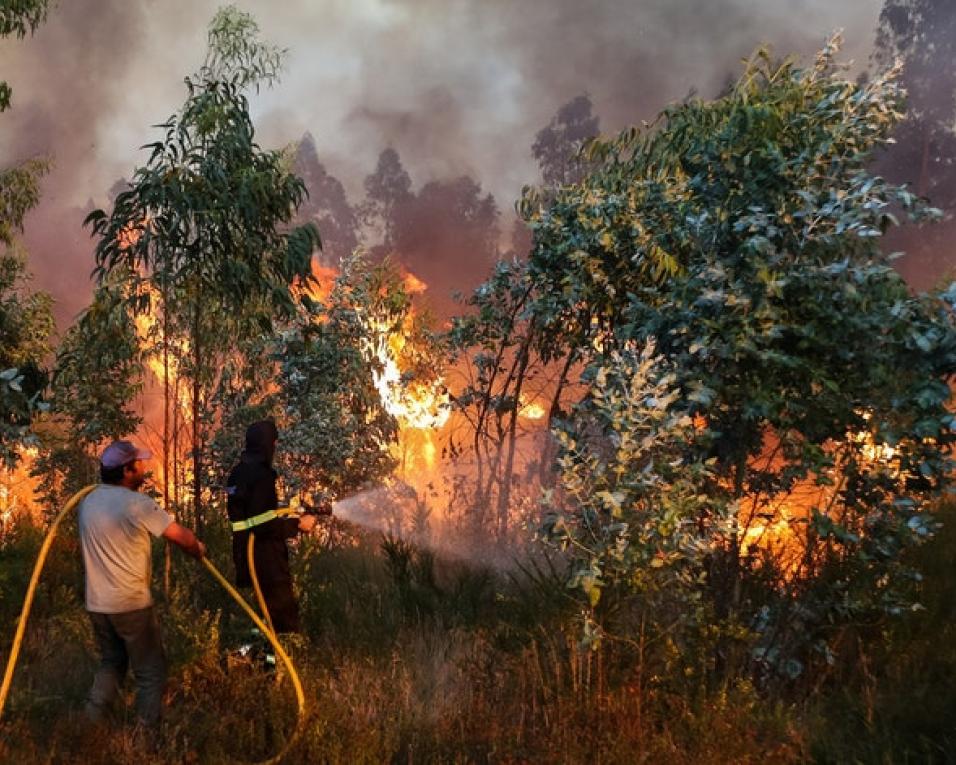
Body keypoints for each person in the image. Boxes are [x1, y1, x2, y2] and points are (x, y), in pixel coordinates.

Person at [78, 439, 206, 733]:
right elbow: (181, 537)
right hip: (130, 605)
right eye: (139, 464)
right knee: (151, 671)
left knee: (112, 662)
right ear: (126, 470)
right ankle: (145, 740)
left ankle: (89, 727)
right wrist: (197, 548)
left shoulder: (89, 501)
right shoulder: (137, 504)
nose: (144, 469)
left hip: (97, 605)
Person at [225, 420, 317, 634]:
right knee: (283, 619)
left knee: (261, 618)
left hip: (244, 555)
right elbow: (262, 524)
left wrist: (286, 514)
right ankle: (283, 659)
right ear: (266, 444)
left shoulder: (238, 473)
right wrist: (297, 525)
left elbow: (254, 515)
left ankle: (258, 662)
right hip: (265, 558)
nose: (275, 447)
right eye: (273, 443)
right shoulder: (261, 475)